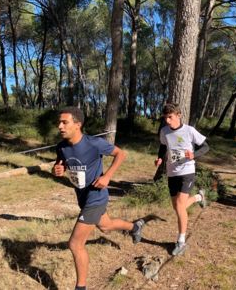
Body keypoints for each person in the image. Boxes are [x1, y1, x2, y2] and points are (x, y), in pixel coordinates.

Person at [52, 107, 145, 290]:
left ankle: (81, 287)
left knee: (75, 243)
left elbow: (121, 153)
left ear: (78, 125)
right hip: (83, 197)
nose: (60, 126)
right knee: (106, 226)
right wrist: (57, 170)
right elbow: (59, 165)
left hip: (96, 196)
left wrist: (107, 176)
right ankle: (136, 226)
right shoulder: (61, 147)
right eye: (59, 123)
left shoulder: (94, 143)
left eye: (65, 122)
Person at [154, 103, 209, 256]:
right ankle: (199, 196)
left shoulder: (189, 131)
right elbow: (163, 147)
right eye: (165, 118)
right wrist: (159, 159)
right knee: (178, 206)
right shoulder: (164, 131)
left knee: (179, 206)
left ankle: (181, 241)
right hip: (172, 172)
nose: (167, 121)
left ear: (178, 115)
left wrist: (194, 155)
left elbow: (205, 147)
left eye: (170, 117)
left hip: (187, 171)